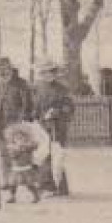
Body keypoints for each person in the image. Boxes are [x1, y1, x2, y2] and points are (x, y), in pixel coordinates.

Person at [31, 62, 74, 196]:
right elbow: (35, 106)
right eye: (43, 73)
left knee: (56, 156)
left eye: (49, 72)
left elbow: (69, 107)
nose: (47, 75)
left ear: (54, 73)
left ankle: (56, 187)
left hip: (57, 126)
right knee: (42, 155)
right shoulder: (37, 88)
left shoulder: (62, 89)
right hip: (42, 126)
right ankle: (48, 186)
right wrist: (34, 116)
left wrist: (56, 112)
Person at [0, 58, 34, 134]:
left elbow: (27, 104)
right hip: (4, 123)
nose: (2, 71)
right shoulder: (0, 84)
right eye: (0, 69)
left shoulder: (21, 83)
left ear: (10, 68)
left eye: (5, 68)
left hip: (18, 122)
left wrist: (21, 121)